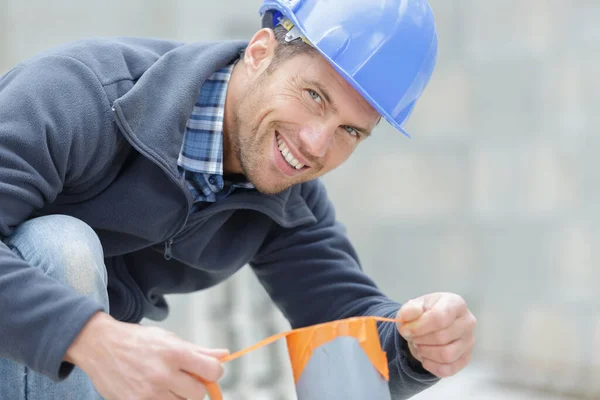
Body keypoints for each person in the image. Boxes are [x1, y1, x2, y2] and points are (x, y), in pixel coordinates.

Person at [0, 0, 476, 399]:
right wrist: (93, 338)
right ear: (259, 50)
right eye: (314, 95)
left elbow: (348, 329)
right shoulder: (77, 95)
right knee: (61, 245)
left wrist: (418, 342)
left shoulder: (285, 193)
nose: (315, 144)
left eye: (349, 130)